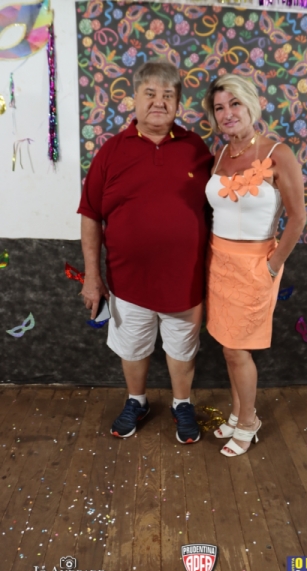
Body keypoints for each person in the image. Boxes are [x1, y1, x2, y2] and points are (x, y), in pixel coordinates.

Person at [78, 60, 213, 444]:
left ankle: (182, 403)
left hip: (185, 282)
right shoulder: (111, 151)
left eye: (168, 95)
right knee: (133, 347)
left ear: (178, 103)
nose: (159, 102)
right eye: (150, 93)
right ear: (134, 99)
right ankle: (136, 400)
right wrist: (92, 276)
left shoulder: (196, 149)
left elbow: (217, 211)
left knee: (182, 349)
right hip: (128, 281)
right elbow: (90, 215)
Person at [204, 74, 306, 457]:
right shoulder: (220, 154)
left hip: (254, 266)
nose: (227, 113)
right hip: (218, 263)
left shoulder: (278, 153)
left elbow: (298, 218)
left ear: (252, 104)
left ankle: (248, 422)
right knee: (227, 346)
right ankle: (237, 413)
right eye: (219, 107)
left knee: (236, 351)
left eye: (234, 103)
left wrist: (272, 266)